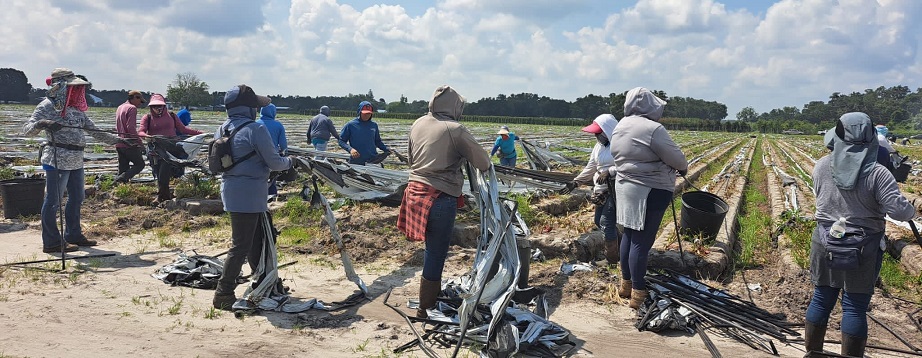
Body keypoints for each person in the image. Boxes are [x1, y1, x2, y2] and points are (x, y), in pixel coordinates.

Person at [804, 113, 915, 357]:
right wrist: (911, 207)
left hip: (825, 241)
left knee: (821, 298)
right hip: (862, 246)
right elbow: (900, 211)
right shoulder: (878, 173)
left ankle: (813, 353)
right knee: (854, 307)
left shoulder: (822, 165)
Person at [397, 85, 492, 318]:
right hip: (440, 197)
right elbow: (483, 162)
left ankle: (429, 299)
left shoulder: (418, 123)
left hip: (414, 192)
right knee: (436, 252)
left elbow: (410, 158)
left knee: (431, 250)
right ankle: (426, 306)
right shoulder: (455, 129)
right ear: (455, 106)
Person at [23, 68, 127, 253]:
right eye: (73, 88)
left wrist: (120, 141)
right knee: (53, 201)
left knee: (78, 197)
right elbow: (27, 129)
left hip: (76, 160)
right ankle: (52, 242)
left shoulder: (76, 110)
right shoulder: (46, 107)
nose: (77, 92)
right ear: (60, 88)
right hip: (57, 159)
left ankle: (73, 234)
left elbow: (95, 131)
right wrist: (42, 124)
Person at [213, 85, 295, 310]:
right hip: (249, 194)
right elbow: (275, 162)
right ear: (249, 108)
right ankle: (223, 293)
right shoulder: (255, 129)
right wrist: (291, 162)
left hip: (232, 190)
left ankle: (265, 282)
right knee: (241, 245)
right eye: (255, 106)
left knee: (257, 239)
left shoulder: (222, 128)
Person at [609, 87, 688, 309]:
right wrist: (682, 168)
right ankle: (639, 292)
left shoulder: (621, 125)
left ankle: (625, 285)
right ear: (649, 106)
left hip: (625, 186)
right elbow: (677, 158)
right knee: (642, 241)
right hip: (650, 189)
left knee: (629, 234)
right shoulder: (653, 129)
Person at [565, 114, 620, 264]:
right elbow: (591, 167)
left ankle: (612, 259)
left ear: (608, 131)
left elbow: (627, 165)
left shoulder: (620, 145)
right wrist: (576, 182)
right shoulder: (598, 147)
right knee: (598, 220)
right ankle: (620, 245)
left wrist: (609, 171)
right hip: (601, 189)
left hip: (615, 188)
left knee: (606, 222)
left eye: (598, 133)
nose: (596, 136)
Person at [138, 94, 203, 203]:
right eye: (154, 106)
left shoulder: (172, 116)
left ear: (164, 106)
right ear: (150, 107)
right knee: (158, 171)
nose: (157, 108)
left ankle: (162, 196)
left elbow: (183, 129)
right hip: (156, 148)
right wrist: (147, 136)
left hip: (171, 147)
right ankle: (164, 195)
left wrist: (200, 133)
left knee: (165, 169)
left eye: (160, 106)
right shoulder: (147, 118)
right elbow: (141, 131)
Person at [338, 101, 389, 165]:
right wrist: (350, 149)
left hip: (373, 160)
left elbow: (377, 141)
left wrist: (386, 149)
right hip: (357, 161)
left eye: (369, 113)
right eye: (364, 113)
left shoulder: (374, 125)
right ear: (359, 112)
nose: (367, 115)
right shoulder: (351, 125)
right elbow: (341, 141)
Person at [113, 90, 146, 183]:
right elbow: (131, 127)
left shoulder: (120, 107)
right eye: (140, 101)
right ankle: (121, 178)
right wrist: (139, 142)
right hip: (129, 144)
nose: (140, 104)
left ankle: (119, 186)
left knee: (123, 167)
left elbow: (117, 127)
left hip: (119, 143)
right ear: (135, 97)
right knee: (139, 165)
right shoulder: (132, 108)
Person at [255, 103, 288, 196]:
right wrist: (284, 154)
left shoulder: (254, 124)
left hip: (255, 156)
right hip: (272, 155)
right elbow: (283, 145)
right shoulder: (278, 125)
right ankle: (271, 199)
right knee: (272, 178)